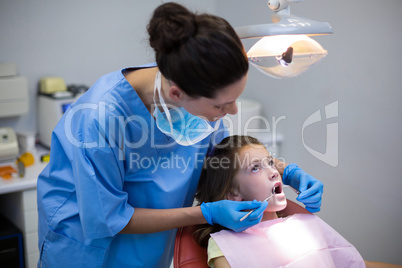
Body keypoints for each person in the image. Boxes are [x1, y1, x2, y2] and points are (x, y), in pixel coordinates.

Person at [37, 3, 323, 267]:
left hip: (152, 244)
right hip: (89, 250)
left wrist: (286, 172)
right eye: (222, 105)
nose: (232, 112)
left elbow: (223, 161)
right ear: (177, 94)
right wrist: (206, 214)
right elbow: (108, 217)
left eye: (235, 100)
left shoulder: (193, 99)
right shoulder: (98, 119)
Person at [194, 135, 399, 268]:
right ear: (232, 194)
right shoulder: (225, 246)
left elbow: (353, 264)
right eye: (256, 168)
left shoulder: (303, 225)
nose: (274, 172)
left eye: (271, 163)